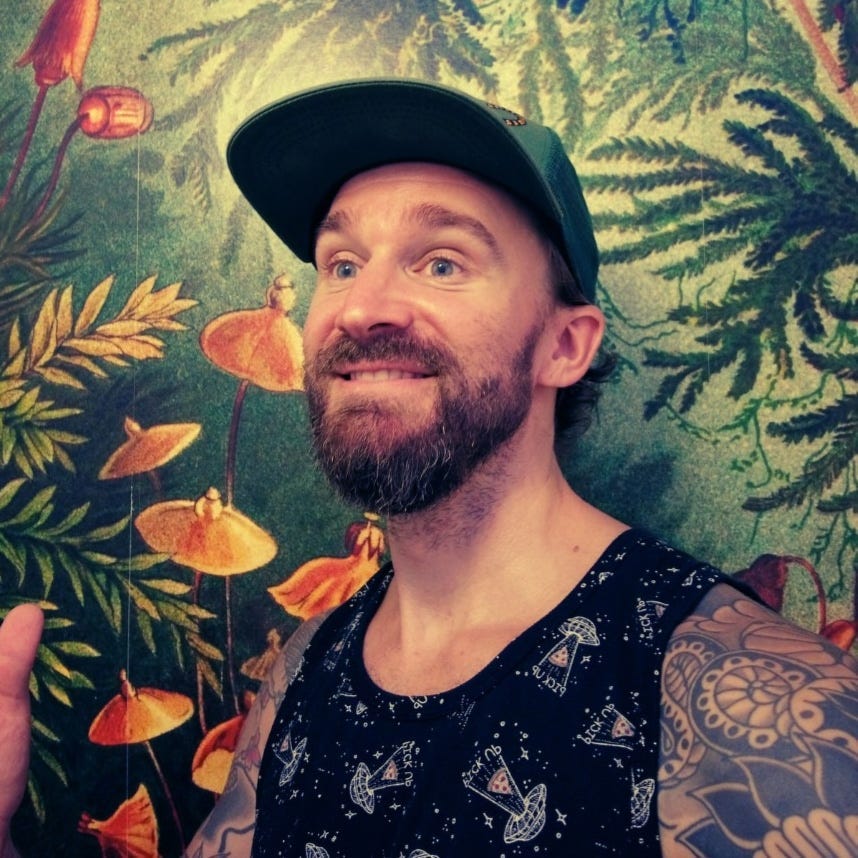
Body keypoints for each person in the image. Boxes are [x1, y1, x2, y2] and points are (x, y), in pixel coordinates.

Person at [2, 79, 857, 858]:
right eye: (341, 264)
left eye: (442, 261)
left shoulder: (753, 710)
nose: (360, 307)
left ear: (564, 345)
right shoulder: (307, 669)